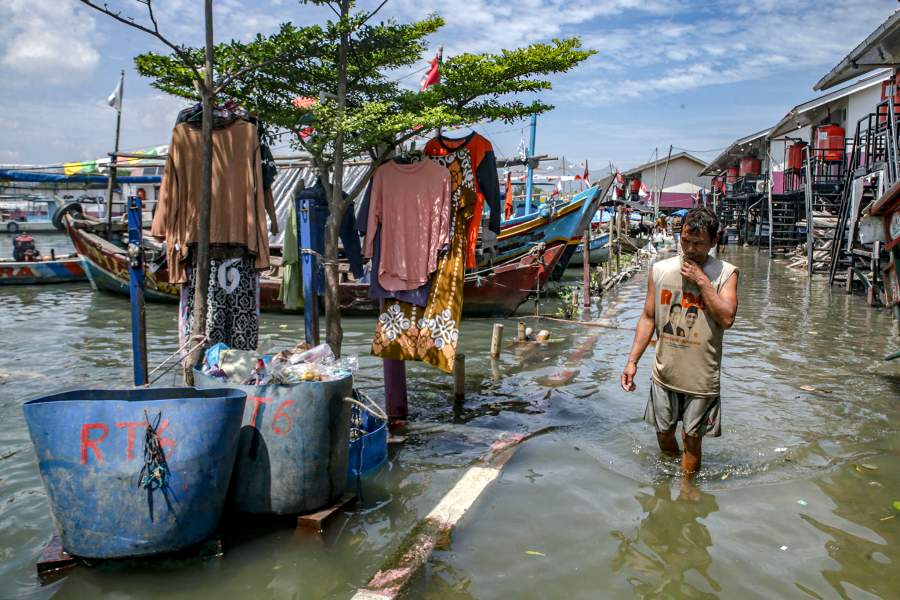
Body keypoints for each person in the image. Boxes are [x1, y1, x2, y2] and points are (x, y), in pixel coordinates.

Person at [620, 207, 739, 477]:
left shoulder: (726, 273)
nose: (690, 248)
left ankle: (687, 489)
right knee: (663, 434)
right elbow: (648, 317)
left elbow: (727, 318)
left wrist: (702, 281)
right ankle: (673, 473)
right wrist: (631, 362)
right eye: (686, 240)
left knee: (692, 438)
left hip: (701, 377)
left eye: (698, 243)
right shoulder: (660, 269)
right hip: (665, 370)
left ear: (713, 242)